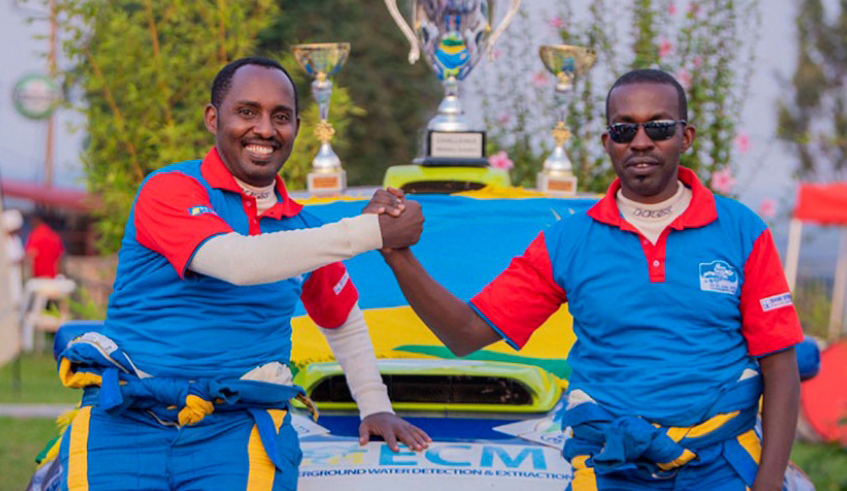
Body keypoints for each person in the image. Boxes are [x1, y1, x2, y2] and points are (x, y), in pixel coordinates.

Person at [380, 69, 803, 490]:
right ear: (607, 143)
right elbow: (465, 334)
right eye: (623, 129)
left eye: (658, 126)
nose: (640, 141)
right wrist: (397, 254)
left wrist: (767, 485)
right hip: (611, 467)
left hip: (722, 468)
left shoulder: (741, 230)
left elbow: (780, 365)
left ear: (685, 136)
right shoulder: (569, 241)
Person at [53, 56, 428, 491]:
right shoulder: (169, 189)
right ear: (213, 118)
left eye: (280, 117)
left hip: (238, 426)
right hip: (126, 420)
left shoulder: (301, 231)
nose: (265, 130)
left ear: (296, 129)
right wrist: (371, 231)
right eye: (247, 112)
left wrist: (374, 405)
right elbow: (239, 262)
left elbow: (341, 318)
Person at [24, 212, 64, 279]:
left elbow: (30, 254)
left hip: (38, 275)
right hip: (52, 276)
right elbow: (60, 258)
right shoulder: (54, 236)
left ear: (37, 220)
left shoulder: (35, 235)